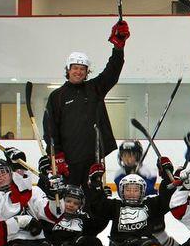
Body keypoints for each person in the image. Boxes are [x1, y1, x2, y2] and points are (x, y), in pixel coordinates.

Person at [44, 19, 128, 187]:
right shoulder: (57, 96)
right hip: (69, 160)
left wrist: (118, 47)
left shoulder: (95, 88)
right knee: (71, 197)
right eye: (75, 68)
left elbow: (112, 71)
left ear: (87, 72)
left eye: (82, 69)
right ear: (68, 70)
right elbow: (50, 128)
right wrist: (57, 156)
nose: (78, 72)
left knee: (93, 197)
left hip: (93, 158)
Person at [85, 165, 177, 246]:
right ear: (121, 191)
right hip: (123, 244)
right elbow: (98, 206)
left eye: (135, 190)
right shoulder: (115, 205)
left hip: (145, 240)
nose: (132, 193)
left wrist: (166, 176)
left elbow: (166, 200)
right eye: (128, 190)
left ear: (142, 191)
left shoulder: (150, 204)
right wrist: (96, 183)